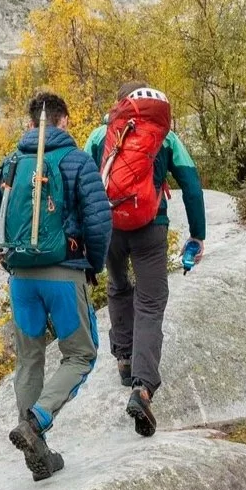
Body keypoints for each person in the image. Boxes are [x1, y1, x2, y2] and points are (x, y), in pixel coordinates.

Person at [0, 92, 111, 480]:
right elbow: (99, 221)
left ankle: (37, 453)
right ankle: (37, 420)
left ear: (30, 124)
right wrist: (93, 264)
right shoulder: (77, 160)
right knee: (81, 354)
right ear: (65, 120)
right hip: (63, 273)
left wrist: (7, 259)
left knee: (29, 360)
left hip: (21, 277)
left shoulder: (10, 163)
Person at [84, 82, 207, 435]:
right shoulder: (165, 136)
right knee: (150, 304)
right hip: (152, 227)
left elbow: (83, 186)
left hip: (109, 227)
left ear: (120, 104)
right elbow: (191, 185)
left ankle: (124, 359)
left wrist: (85, 236)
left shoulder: (100, 135)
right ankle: (142, 388)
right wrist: (197, 235)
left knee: (118, 286)